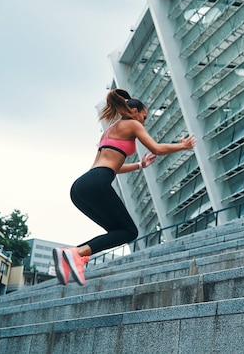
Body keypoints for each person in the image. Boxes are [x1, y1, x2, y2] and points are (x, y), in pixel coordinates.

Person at [53, 88, 197, 285]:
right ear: (136, 111)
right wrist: (183, 146)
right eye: (144, 116)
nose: (144, 122)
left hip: (82, 186)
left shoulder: (110, 130)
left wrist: (140, 165)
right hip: (96, 182)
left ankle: (74, 257)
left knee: (118, 231)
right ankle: (74, 253)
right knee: (129, 232)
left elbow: (112, 167)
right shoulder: (132, 124)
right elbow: (156, 148)